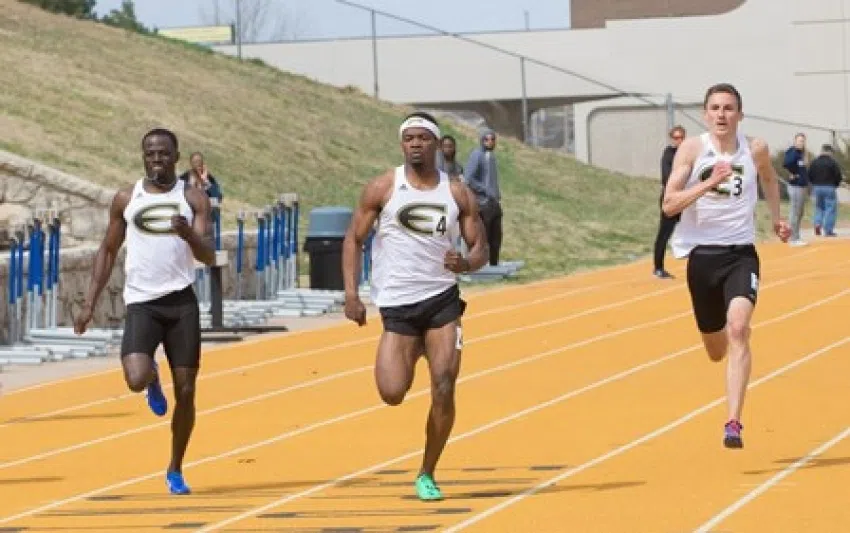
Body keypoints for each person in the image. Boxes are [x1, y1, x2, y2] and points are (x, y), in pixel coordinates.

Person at [342, 112, 489, 501]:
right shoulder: (383, 188)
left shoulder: (456, 193)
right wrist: (351, 295)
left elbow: (481, 249)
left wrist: (467, 264)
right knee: (391, 392)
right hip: (398, 304)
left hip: (441, 301)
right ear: (401, 144)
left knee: (444, 383)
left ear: (438, 144)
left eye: (424, 137)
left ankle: (427, 472)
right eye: (410, 138)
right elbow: (352, 239)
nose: (416, 144)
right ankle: (415, 346)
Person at [74, 128, 215, 494]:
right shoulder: (127, 199)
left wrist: (188, 235)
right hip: (142, 303)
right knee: (134, 377)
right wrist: (89, 302)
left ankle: (175, 468)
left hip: (181, 303)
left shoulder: (193, 198)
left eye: (164, 153)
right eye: (150, 153)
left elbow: (208, 254)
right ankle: (151, 376)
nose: (157, 160)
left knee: (186, 392)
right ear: (143, 157)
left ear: (176, 156)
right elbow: (107, 251)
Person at [662, 83, 791, 449]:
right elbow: (669, 205)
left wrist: (777, 219)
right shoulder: (691, 149)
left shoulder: (756, 149)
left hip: (740, 254)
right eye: (715, 108)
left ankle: (733, 421)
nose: (722, 114)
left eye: (729, 108)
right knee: (716, 349)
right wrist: (710, 182)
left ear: (740, 114)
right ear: (705, 114)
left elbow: (768, 178)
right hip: (702, 258)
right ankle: (725, 344)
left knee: (738, 330)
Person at [465, 128, 503, 266]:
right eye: (487, 139)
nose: (490, 142)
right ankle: (480, 264)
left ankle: (494, 263)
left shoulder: (491, 156)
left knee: (496, 236)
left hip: (494, 202)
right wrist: (485, 190)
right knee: (483, 235)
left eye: (492, 139)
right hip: (483, 202)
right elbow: (469, 179)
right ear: (481, 140)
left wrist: (496, 193)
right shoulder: (477, 155)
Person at [653, 125, 686, 278]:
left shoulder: (688, 154)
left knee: (700, 230)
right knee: (664, 233)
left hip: (687, 198)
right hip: (671, 199)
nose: (679, 140)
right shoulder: (669, 154)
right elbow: (667, 177)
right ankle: (658, 268)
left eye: (681, 137)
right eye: (676, 138)